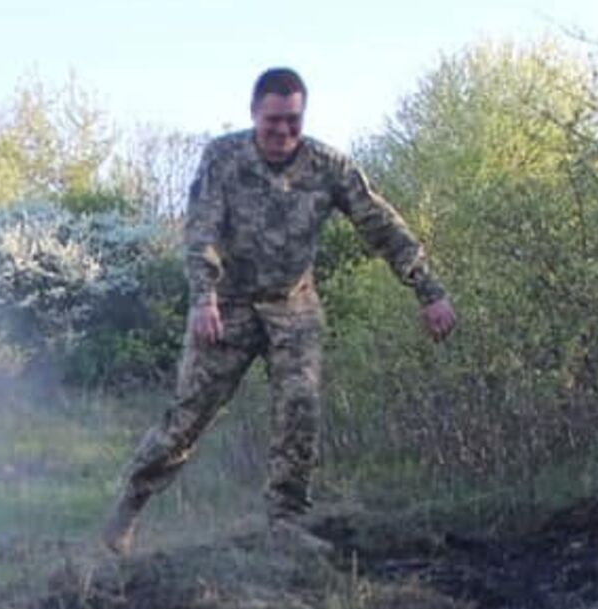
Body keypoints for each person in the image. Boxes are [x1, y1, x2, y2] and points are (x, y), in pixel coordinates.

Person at [100, 67, 457, 559]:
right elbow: (201, 230)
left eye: (293, 121)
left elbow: (381, 224)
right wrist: (203, 297)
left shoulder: (328, 167)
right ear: (253, 115)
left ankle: (285, 523)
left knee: (299, 409)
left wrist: (429, 291)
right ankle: (128, 508)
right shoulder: (223, 157)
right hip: (226, 305)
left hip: (293, 305)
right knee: (186, 421)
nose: (283, 132)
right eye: (273, 122)